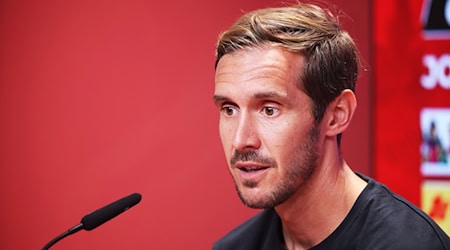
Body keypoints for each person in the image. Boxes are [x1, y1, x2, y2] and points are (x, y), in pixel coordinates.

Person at [212, 2, 450, 250]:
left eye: (269, 110)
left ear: (337, 114)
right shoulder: (235, 247)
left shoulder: (407, 244)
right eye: (229, 109)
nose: (240, 140)